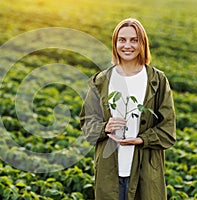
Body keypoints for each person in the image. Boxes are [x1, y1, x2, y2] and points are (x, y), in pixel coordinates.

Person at [80, 18, 176, 200]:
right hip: (109, 170)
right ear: (115, 43)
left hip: (145, 171)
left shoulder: (157, 80)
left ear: (142, 44)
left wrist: (140, 139)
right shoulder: (101, 80)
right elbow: (87, 124)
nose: (127, 45)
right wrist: (104, 127)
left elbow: (168, 129)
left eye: (134, 40)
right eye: (122, 40)